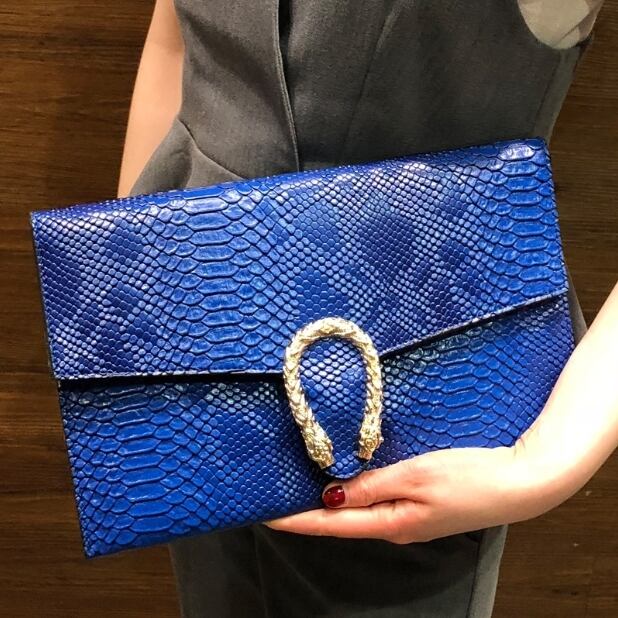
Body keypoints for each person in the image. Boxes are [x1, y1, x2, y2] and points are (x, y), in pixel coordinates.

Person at [118, 1, 616, 616]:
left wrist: (544, 463)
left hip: (418, 431)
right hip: (193, 368)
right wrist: (131, 266)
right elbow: (175, 38)